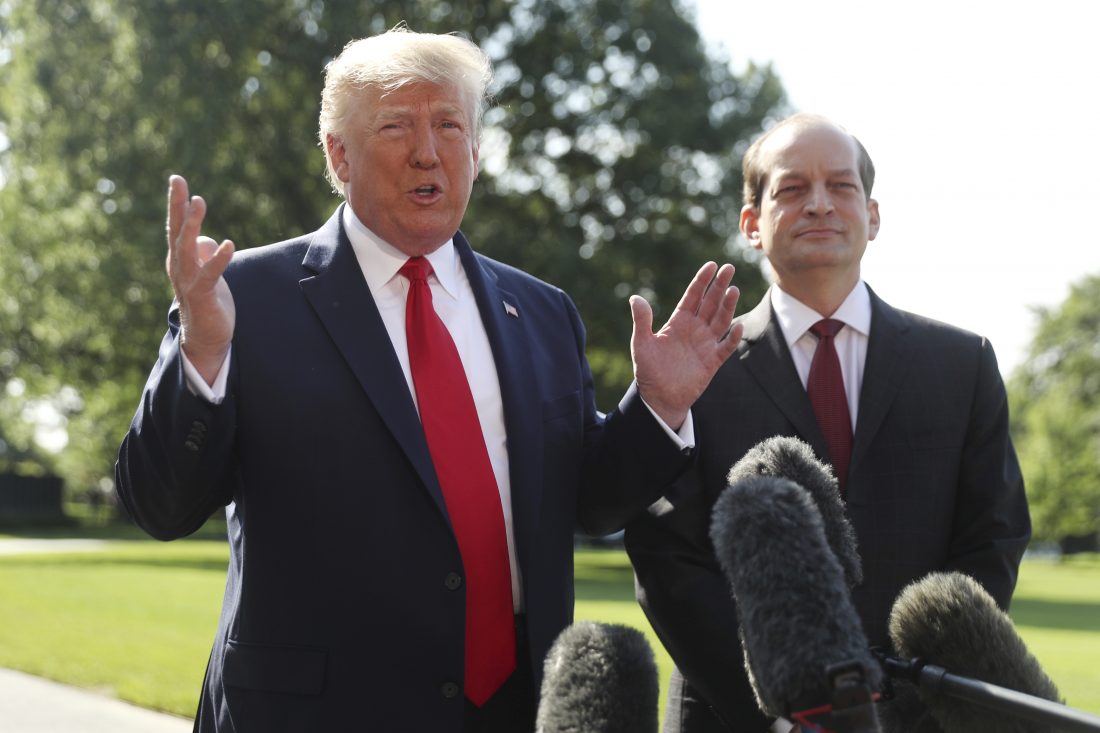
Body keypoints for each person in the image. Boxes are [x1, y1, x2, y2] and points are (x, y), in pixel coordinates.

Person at [115, 26, 743, 733]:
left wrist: (656, 408)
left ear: (474, 151)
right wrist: (201, 350)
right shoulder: (243, 298)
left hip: (512, 711)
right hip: (317, 715)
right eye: (395, 126)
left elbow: (587, 503)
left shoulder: (542, 312)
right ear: (339, 155)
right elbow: (161, 506)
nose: (427, 151)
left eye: (449, 125)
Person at [624, 113, 1032, 732]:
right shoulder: (691, 368)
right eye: (792, 189)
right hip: (736, 717)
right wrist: (790, 713)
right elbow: (667, 557)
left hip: (919, 718)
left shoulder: (962, 363)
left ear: (872, 215)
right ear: (751, 224)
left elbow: (992, 540)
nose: (818, 204)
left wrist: (914, 705)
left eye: (841, 186)